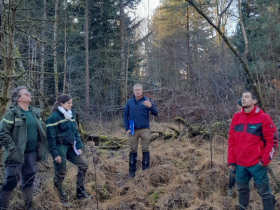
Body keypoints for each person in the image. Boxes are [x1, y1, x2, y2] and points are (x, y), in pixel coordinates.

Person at [228, 91, 278, 210]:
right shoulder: (236, 117)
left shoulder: (264, 118)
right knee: (242, 191)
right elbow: (231, 140)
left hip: (257, 164)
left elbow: (272, 141)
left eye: (247, 97)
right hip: (240, 165)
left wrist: (263, 161)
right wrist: (231, 161)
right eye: (242, 97)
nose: (243, 99)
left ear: (254, 101)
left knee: (264, 193)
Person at [0, 86, 48, 210]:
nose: (29, 95)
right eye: (26, 93)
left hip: (31, 153)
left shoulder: (34, 113)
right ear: (18, 98)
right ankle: (3, 207)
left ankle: (28, 206)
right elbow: (2, 133)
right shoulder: (11, 113)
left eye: (29, 93)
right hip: (15, 154)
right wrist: (12, 148)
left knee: (29, 180)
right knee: (11, 181)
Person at [46, 94, 91, 206]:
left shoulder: (70, 114)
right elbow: (50, 139)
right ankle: (60, 200)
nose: (71, 105)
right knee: (61, 171)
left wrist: (79, 146)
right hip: (59, 146)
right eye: (69, 103)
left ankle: (80, 194)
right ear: (61, 104)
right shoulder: (53, 118)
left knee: (83, 166)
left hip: (72, 146)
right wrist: (55, 154)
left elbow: (75, 132)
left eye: (71, 102)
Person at [123, 84, 158, 178]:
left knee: (145, 149)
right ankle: (131, 171)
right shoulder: (129, 102)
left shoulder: (147, 101)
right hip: (133, 130)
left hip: (144, 129)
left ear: (142, 91)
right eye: (136, 90)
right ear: (133, 91)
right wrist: (127, 128)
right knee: (132, 149)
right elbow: (125, 115)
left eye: (139, 90)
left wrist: (150, 106)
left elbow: (156, 113)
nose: (137, 91)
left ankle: (145, 171)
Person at [228, 97, 242, 196]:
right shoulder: (236, 116)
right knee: (233, 170)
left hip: (243, 152)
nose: (237, 106)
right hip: (236, 150)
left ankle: (234, 189)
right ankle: (231, 188)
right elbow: (231, 135)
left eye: (238, 104)